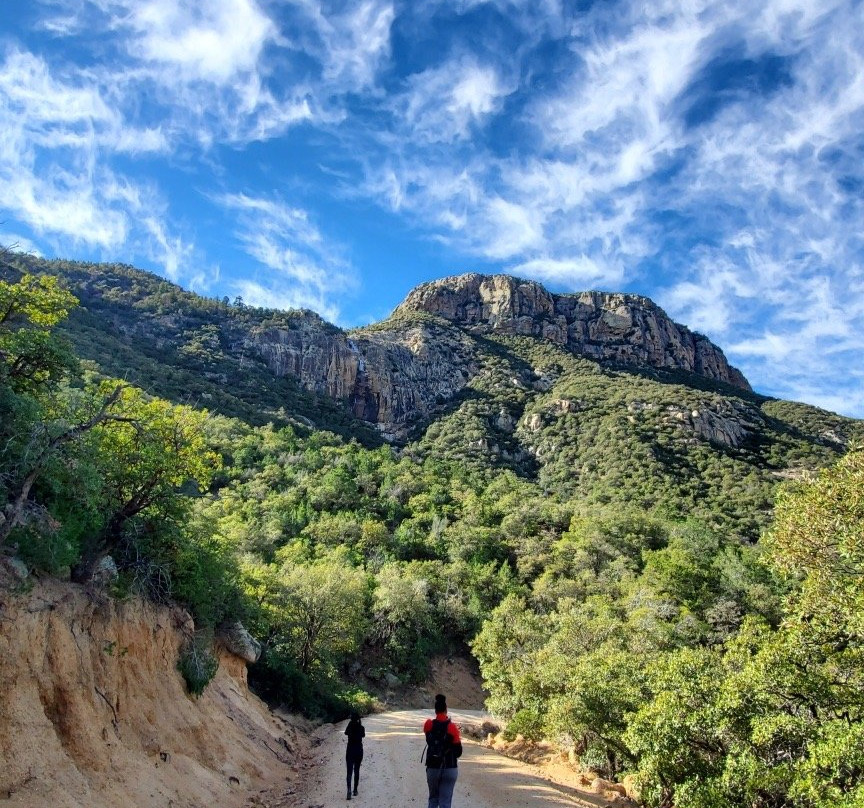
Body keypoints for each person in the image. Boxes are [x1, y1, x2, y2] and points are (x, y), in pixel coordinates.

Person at [423, 693, 462, 808]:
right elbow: (458, 752)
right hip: (449, 768)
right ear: (446, 710)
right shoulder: (452, 727)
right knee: (445, 802)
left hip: (433, 767)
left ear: (435, 710)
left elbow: (430, 741)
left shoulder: (428, 724)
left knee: (433, 799)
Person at [344, 711, 365, 800]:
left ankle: (349, 790)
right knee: (357, 770)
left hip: (350, 750)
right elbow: (363, 735)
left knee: (349, 771)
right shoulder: (361, 728)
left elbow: (345, 733)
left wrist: (350, 723)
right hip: (359, 750)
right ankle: (355, 790)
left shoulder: (350, 727)